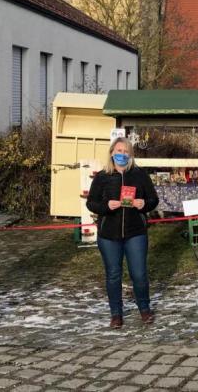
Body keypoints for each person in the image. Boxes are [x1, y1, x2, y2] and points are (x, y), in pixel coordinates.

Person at [86, 137, 159, 329]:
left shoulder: (140, 175)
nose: (122, 155)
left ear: (131, 155)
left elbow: (153, 199)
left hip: (135, 233)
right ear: (111, 153)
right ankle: (116, 314)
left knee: (139, 274)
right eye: (119, 151)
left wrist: (144, 203)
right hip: (109, 235)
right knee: (113, 275)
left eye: (126, 151)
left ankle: (144, 309)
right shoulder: (102, 177)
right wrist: (106, 206)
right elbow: (91, 203)